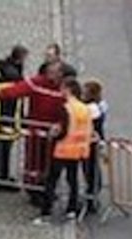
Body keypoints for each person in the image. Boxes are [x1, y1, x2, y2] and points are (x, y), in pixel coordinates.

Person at [0, 61, 67, 207]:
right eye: (50, 72)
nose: (51, 75)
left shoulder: (64, 88)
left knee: (50, 164)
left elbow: (70, 109)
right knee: (34, 162)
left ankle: (47, 189)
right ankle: (33, 191)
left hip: (54, 135)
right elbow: (18, 90)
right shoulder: (38, 82)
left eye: (55, 72)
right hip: (36, 133)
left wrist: (61, 125)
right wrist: (0, 94)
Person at [35, 79, 95, 224]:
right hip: (79, 150)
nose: (61, 91)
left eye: (62, 88)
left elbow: (64, 130)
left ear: (68, 90)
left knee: (51, 180)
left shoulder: (66, 108)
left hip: (63, 148)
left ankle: (46, 213)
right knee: (72, 180)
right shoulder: (85, 108)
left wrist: (54, 134)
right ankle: (71, 211)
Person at [0, 45, 29, 189]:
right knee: (3, 148)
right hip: (6, 116)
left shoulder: (1, 67)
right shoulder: (12, 74)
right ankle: (1, 179)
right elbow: (17, 91)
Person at [81, 80, 109, 213]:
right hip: (90, 142)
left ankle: (92, 198)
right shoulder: (99, 105)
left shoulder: (92, 108)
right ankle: (92, 196)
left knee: (90, 170)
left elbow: (97, 128)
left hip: (89, 143)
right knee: (91, 170)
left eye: (85, 91)